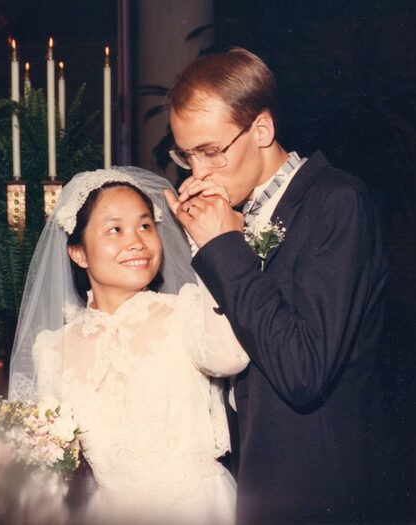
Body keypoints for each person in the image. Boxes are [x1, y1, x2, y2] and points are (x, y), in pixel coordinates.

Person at [165, 48, 388, 524]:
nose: (198, 172)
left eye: (211, 151)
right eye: (186, 155)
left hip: (313, 489)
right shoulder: (235, 211)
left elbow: (303, 371)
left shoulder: (336, 202)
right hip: (251, 479)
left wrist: (224, 248)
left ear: (262, 130)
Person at [8, 167, 249, 525]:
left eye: (145, 226)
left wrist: (209, 245)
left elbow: (231, 358)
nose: (136, 241)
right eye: (115, 229)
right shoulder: (52, 350)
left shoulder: (185, 309)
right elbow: (48, 467)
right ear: (79, 254)